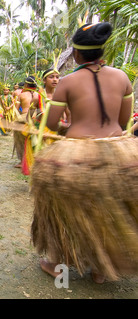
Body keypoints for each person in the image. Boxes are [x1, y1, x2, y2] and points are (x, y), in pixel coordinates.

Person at [30, 22, 138, 284]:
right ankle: (101, 269)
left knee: (63, 209)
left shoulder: (67, 81)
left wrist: (68, 126)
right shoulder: (122, 78)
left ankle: (56, 263)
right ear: (103, 51)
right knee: (107, 208)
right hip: (118, 152)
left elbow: (53, 125)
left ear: (76, 54)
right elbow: (124, 121)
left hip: (75, 157)